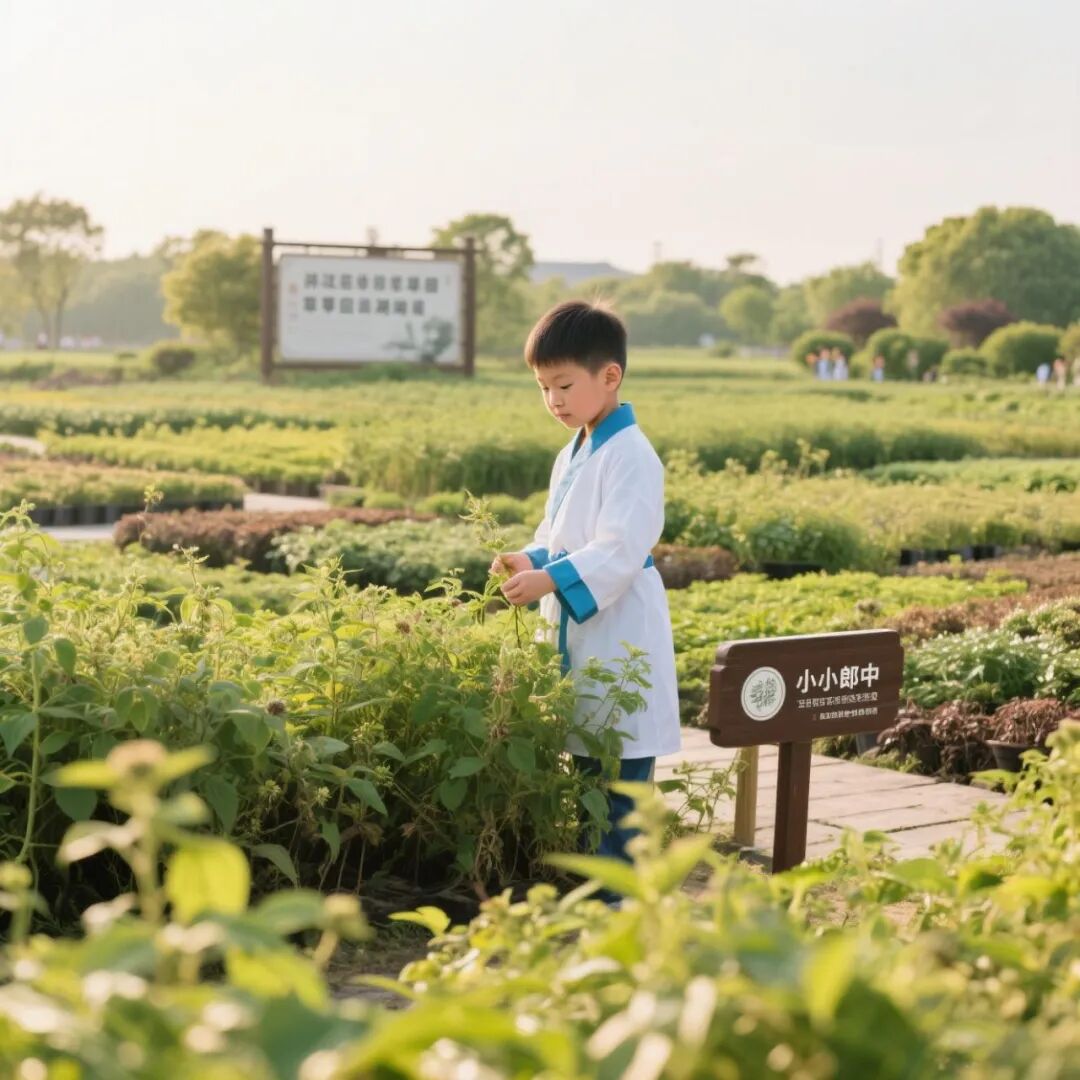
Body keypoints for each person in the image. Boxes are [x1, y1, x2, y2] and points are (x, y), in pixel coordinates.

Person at [492, 300, 681, 879]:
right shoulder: (574, 451)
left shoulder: (633, 455)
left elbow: (620, 548)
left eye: (564, 385)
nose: (554, 400)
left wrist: (550, 577)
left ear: (610, 375)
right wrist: (530, 558)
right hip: (583, 623)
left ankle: (618, 893)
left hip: (621, 627)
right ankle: (594, 885)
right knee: (586, 768)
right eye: (544, 388)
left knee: (620, 770)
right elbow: (560, 535)